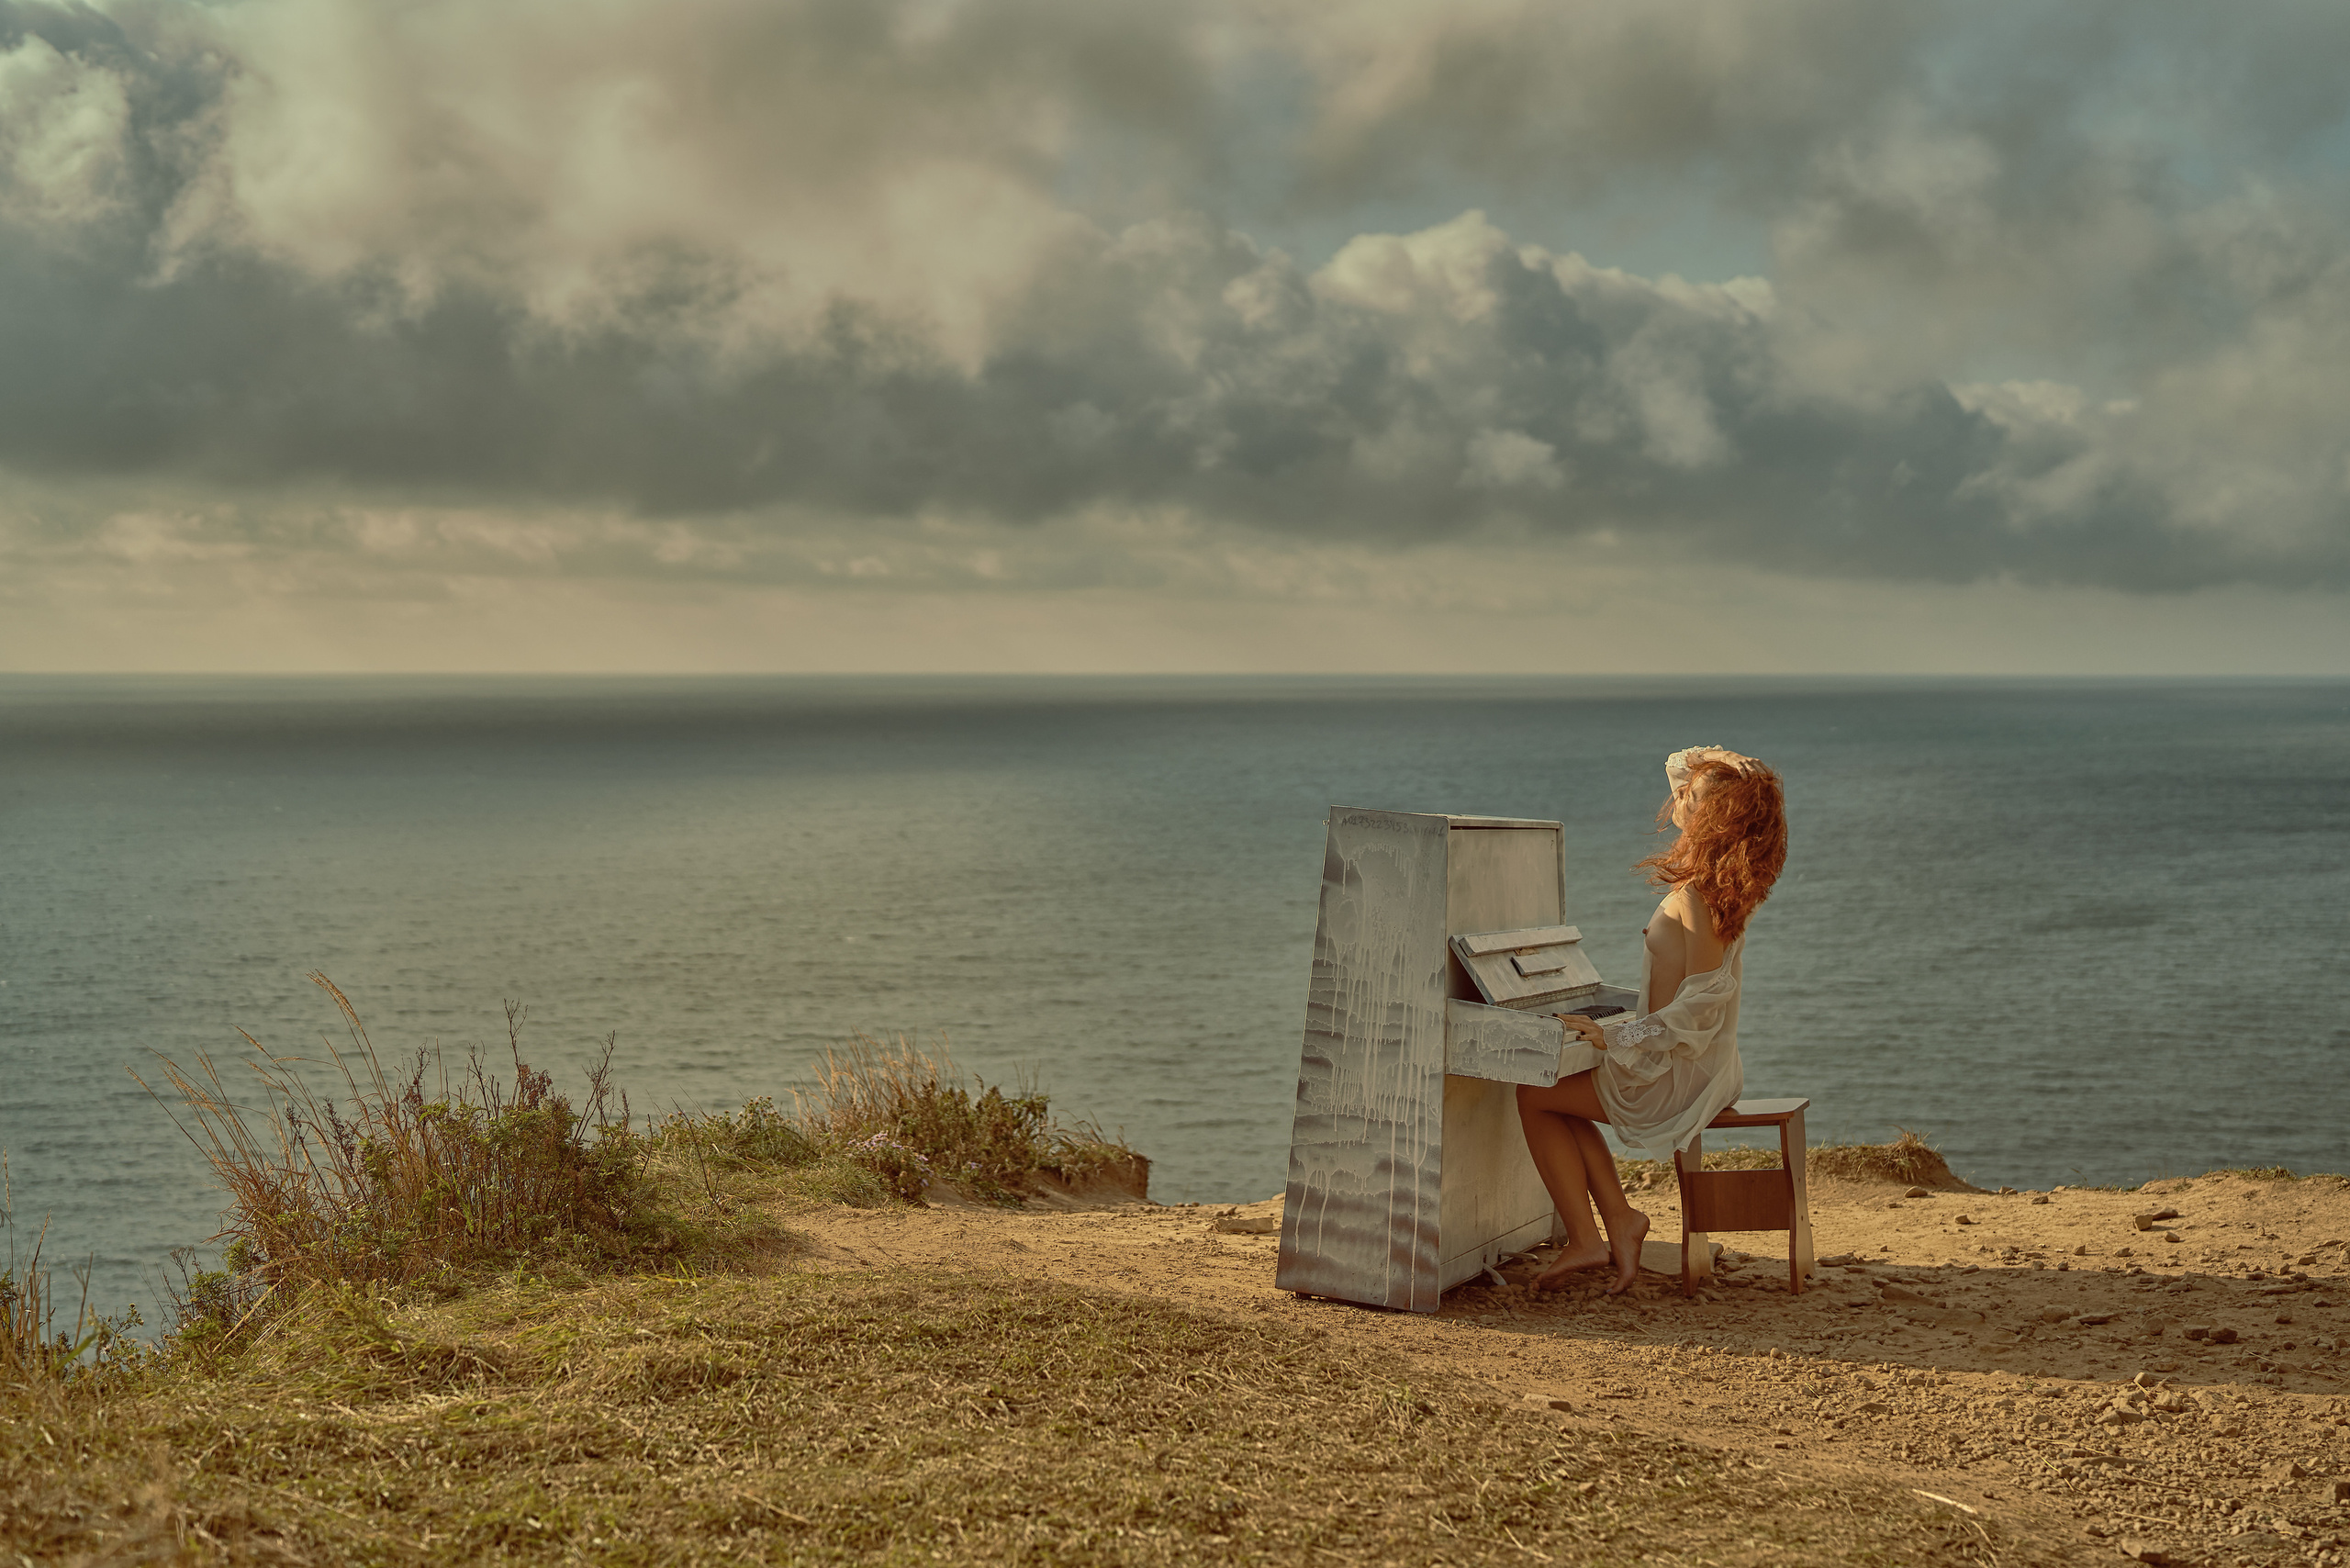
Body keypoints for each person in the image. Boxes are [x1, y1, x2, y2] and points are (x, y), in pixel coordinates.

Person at [1516, 745, 1788, 1294]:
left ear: (1709, 815)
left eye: (1688, 795)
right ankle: (1615, 1222)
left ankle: (1593, 1236)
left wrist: (1617, 1032)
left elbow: (1701, 1006)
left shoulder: (1698, 897)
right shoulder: (1730, 887)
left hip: (1676, 1074)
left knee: (1533, 1093)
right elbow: (1679, 763)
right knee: (1561, 1096)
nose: (1676, 796)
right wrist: (1726, 762)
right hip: (1703, 1066)